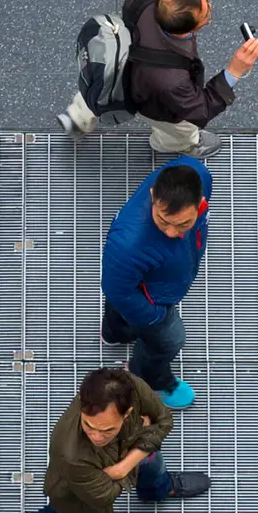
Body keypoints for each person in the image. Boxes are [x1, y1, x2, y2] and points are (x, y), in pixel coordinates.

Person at [0, 366, 209, 513]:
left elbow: (164, 421)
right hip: (79, 496)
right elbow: (102, 495)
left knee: (152, 464)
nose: (96, 437)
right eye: (89, 425)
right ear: (82, 402)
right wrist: (140, 441)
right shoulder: (70, 452)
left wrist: (122, 468)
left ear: (127, 413)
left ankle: (157, 490)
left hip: (128, 454)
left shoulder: (130, 387)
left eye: (107, 430)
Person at [95, 0, 258, 151]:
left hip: (134, 71)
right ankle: (177, 146)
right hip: (156, 104)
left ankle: (80, 118)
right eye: (206, 15)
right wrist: (234, 70)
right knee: (180, 132)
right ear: (192, 29)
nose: (209, 5)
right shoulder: (172, 81)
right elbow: (201, 109)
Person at [102, 157, 211, 407]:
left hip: (150, 282)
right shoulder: (129, 245)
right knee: (168, 341)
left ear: (199, 201)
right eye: (163, 220)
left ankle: (114, 333)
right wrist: (154, 317)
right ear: (153, 195)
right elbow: (117, 290)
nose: (172, 233)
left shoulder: (197, 174)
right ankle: (150, 380)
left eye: (184, 223)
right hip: (153, 300)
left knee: (121, 307)